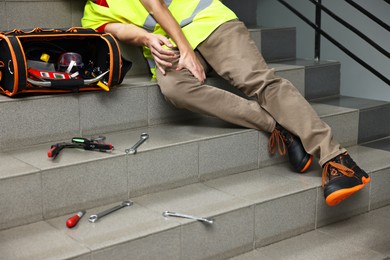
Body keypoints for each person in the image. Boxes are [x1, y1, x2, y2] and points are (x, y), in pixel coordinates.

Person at [82, 0, 370, 206]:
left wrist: (186, 48)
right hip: (174, 50)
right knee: (173, 89)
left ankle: (338, 160)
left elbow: (156, 5)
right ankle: (276, 126)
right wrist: (149, 39)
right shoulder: (91, 13)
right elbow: (120, 32)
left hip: (212, 25)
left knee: (260, 82)